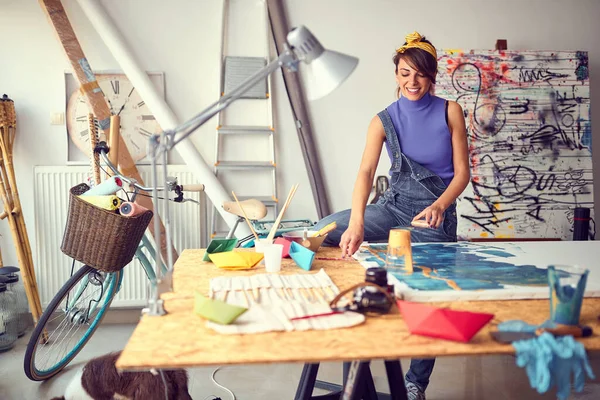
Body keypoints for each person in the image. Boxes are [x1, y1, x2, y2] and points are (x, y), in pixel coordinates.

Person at [314, 32, 470, 400]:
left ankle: (415, 382)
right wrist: (356, 224)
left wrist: (440, 205)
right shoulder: (383, 119)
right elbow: (365, 175)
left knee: (428, 290)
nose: (411, 82)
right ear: (396, 75)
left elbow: (462, 173)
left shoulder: (450, 111)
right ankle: (346, 324)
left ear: (431, 76)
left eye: (419, 74)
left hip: (434, 217)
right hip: (394, 206)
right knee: (323, 230)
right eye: (404, 73)